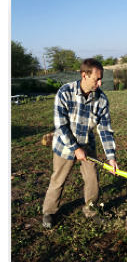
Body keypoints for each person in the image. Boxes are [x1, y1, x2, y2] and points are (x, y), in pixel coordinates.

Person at [42, 58, 118, 229]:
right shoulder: (65, 92)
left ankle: (90, 210)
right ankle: (49, 212)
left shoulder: (101, 100)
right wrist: (75, 148)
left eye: (101, 79)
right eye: (96, 79)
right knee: (58, 180)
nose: (99, 83)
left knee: (92, 179)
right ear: (84, 75)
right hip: (64, 145)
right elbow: (60, 125)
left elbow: (105, 130)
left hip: (87, 145)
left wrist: (111, 157)